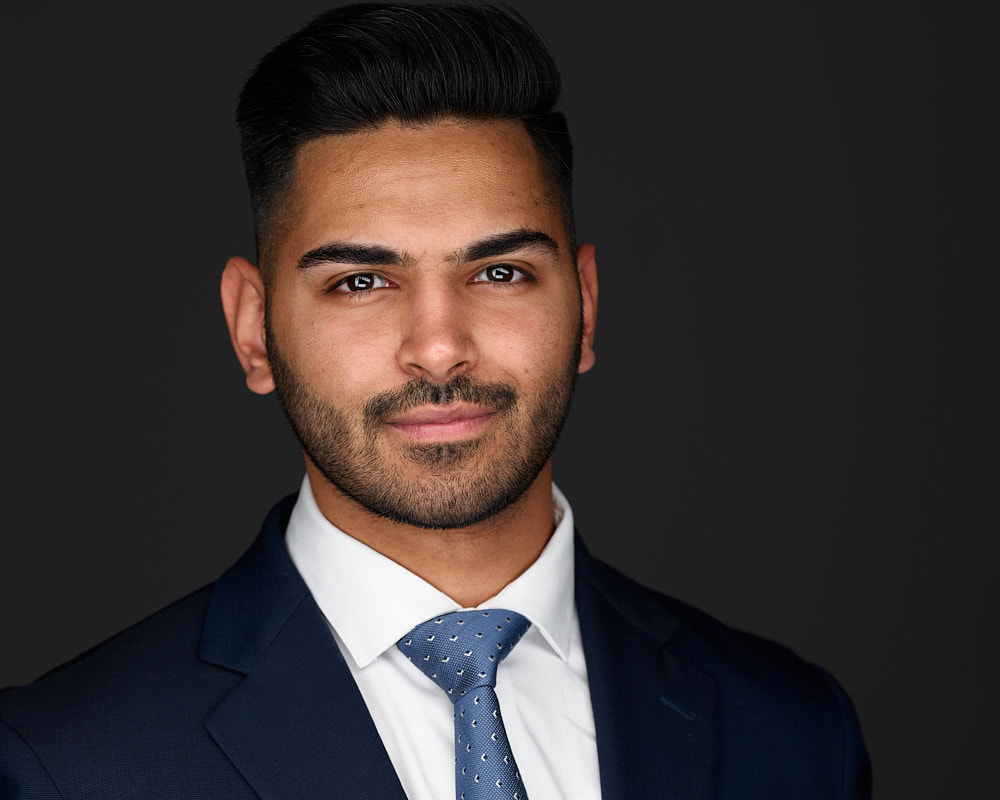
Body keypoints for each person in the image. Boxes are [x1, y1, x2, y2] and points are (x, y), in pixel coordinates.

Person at [0, 4, 871, 798]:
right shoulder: (61, 761)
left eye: (499, 272)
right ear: (254, 329)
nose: (440, 345)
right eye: (360, 281)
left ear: (586, 306)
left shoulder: (792, 732)